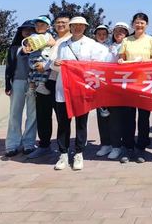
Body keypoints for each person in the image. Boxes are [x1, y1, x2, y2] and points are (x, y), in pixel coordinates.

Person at [51, 16, 111, 171]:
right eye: (74, 25)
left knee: (81, 123)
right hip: (63, 89)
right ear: (70, 27)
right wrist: (56, 64)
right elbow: (53, 64)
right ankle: (63, 154)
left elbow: (99, 64)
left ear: (85, 27)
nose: (77, 28)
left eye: (81, 25)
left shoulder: (92, 44)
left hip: (81, 89)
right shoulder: (62, 44)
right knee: (63, 123)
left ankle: (79, 153)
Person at [26, 12, 71, 160]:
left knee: (62, 118)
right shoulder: (49, 38)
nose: (61, 25)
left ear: (70, 24)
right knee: (43, 115)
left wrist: (44, 66)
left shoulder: (72, 41)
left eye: (64, 22)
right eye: (58, 22)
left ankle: (64, 149)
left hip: (62, 83)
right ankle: (44, 145)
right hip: (45, 81)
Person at [116, 12, 152, 163]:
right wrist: (121, 61)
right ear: (132, 24)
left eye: (142, 22)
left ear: (147, 25)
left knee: (144, 118)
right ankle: (128, 148)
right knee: (128, 117)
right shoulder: (126, 40)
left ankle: (141, 147)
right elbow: (121, 58)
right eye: (137, 22)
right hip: (129, 84)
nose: (139, 25)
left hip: (145, 84)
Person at [4, 20, 38, 157]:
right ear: (21, 32)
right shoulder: (14, 48)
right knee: (14, 113)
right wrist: (7, 85)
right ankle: (12, 144)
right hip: (17, 82)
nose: (28, 32)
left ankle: (29, 143)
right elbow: (8, 68)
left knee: (32, 114)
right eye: (25, 30)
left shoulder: (39, 48)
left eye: (31, 30)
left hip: (33, 83)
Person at [106, 22, 133, 162]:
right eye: (116, 31)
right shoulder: (108, 47)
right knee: (115, 118)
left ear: (127, 33)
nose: (119, 33)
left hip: (129, 86)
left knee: (129, 118)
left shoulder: (131, 45)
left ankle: (129, 146)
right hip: (113, 86)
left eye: (122, 31)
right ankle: (116, 146)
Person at [23, 15, 56, 96]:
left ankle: (38, 86)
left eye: (42, 25)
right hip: (35, 58)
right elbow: (27, 45)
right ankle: (34, 88)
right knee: (34, 72)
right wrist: (26, 48)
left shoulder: (48, 35)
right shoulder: (33, 35)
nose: (39, 27)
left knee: (39, 71)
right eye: (37, 25)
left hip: (42, 57)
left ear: (48, 27)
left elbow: (53, 42)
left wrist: (45, 43)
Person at [92, 24, 112, 157]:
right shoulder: (91, 47)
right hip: (98, 84)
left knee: (113, 116)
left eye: (104, 34)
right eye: (99, 34)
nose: (102, 36)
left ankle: (115, 143)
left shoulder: (112, 47)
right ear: (95, 35)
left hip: (111, 84)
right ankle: (105, 144)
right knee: (102, 115)